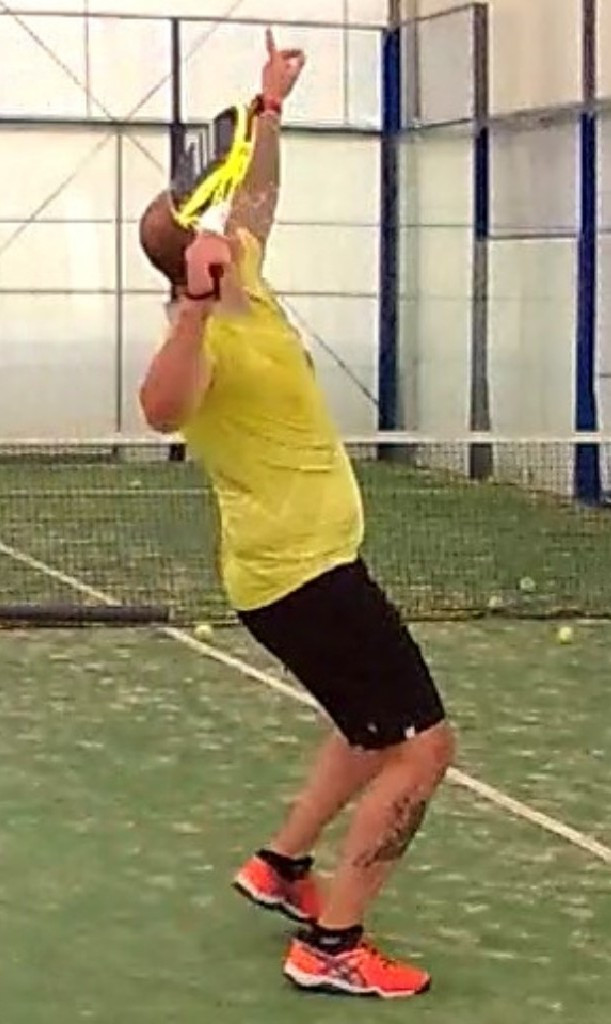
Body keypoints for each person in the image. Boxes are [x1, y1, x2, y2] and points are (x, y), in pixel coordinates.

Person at [139, 29, 454, 1000]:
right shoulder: (200, 339)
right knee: (421, 748)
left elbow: (259, 195)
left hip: (311, 564)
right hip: (300, 578)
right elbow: (160, 409)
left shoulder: (247, 273)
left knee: (364, 730)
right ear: (187, 263)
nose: (225, 223)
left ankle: (280, 865)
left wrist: (270, 106)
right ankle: (333, 944)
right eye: (204, 224)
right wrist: (193, 313)